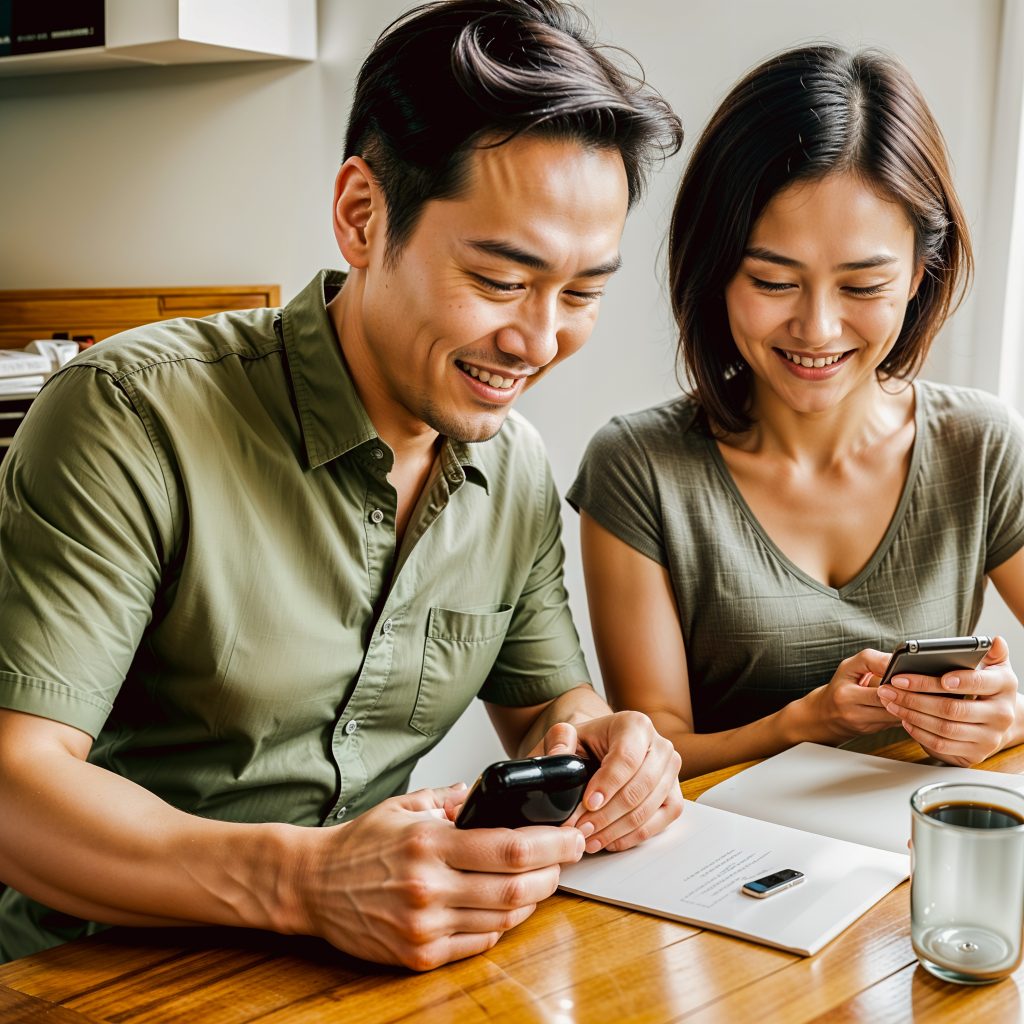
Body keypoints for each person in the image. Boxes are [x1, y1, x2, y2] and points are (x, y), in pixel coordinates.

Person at [0, 0, 685, 969]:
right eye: (500, 280)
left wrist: (606, 750)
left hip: (356, 979)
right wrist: (306, 881)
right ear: (362, 217)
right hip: (88, 977)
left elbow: (544, 709)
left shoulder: (514, 467)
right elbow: (14, 789)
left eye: (581, 294)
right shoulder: (128, 414)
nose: (539, 341)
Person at [570, 45, 1024, 781]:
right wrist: (805, 723)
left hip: (914, 863)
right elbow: (654, 755)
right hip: (722, 880)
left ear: (918, 274)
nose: (816, 329)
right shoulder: (640, 467)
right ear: (715, 268)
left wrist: (1006, 716)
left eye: (862, 285)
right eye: (773, 281)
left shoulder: (980, 447)